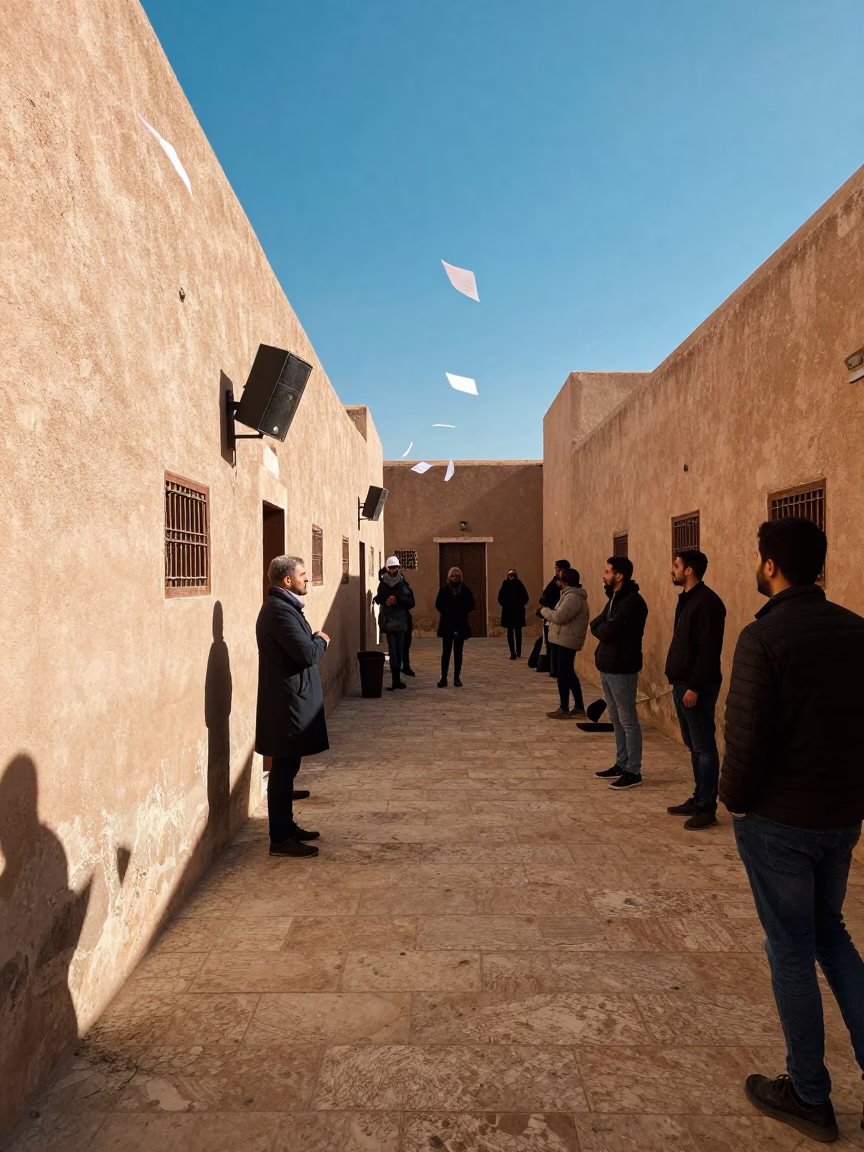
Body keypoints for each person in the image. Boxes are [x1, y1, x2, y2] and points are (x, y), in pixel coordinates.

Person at [720, 517, 864, 1143]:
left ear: (771, 566)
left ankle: (809, 1092)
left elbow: (746, 738)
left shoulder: (764, 637)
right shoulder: (856, 632)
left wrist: (735, 803)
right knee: (831, 938)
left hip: (781, 822)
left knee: (791, 952)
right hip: (840, 817)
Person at [255, 555, 330, 858]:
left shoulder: (284, 607)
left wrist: (311, 640)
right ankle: (280, 838)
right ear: (287, 580)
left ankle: (287, 827)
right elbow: (305, 654)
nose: (306, 579)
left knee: (289, 767)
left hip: (290, 700)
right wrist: (321, 640)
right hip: (286, 704)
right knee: (283, 770)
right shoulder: (279, 612)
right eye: (302, 575)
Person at [664, 549, 727, 830]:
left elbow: (708, 650)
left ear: (689, 570)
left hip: (695, 686)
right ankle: (699, 797)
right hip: (682, 683)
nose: (672, 569)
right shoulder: (689, 600)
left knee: (704, 746)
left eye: (676, 565)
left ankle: (707, 807)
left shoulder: (708, 603)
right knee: (694, 745)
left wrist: (695, 686)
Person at [590, 555, 648, 790]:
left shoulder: (632, 602)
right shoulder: (615, 598)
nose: (603, 575)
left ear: (619, 575)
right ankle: (621, 762)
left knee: (628, 720)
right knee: (615, 718)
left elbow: (608, 630)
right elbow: (596, 623)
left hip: (622, 668)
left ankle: (633, 770)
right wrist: (602, 628)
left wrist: (603, 628)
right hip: (607, 667)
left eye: (606, 572)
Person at [541, 567, 589, 718]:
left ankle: (565, 707)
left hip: (567, 640)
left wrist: (544, 611)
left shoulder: (573, 598)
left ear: (565, 582)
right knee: (567, 673)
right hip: (563, 639)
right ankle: (578, 707)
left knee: (564, 674)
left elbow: (560, 616)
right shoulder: (568, 596)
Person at [374, 557, 416, 691]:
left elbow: (411, 602)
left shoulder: (403, 583)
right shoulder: (383, 583)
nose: (394, 570)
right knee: (393, 650)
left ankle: (399, 676)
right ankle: (395, 680)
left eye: (395, 567)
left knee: (400, 648)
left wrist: (397, 600)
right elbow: (379, 598)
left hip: (401, 619)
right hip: (389, 620)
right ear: (387, 568)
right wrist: (386, 600)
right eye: (391, 568)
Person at [436, 566, 475, 687]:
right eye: (453, 576)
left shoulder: (465, 590)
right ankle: (443, 678)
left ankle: (457, 678)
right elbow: (438, 604)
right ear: (449, 577)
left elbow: (471, 605)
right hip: (447, 624)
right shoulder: (444, 590)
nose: (455, 578)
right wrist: (448, 610)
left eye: (457, 576)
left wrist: (461, 610)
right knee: (446, 652)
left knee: (458, 652)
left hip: (460, 624)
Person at [540, 560, 571, 677]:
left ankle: (557, 670)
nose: (556, 571)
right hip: (550, 618)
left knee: (557, 646)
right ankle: (553, 668)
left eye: (557, 569)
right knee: (550, 644)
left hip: (557, 617)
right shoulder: (554, 582)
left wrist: (545, 602)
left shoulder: (566, 585)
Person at [498, 569, 530, 658]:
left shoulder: (519, 584)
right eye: (510, 574)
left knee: (518, 632)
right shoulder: (505, 584)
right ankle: (512, 652)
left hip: (518, 612)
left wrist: (519, 605)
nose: (511, 576)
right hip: (508, 612)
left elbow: (525, 597)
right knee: (510, 632)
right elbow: (500, 597)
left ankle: (518, 651)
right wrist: (505, 604)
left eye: (513, 574)